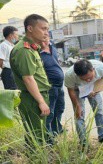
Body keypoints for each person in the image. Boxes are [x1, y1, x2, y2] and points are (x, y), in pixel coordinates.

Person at [10, 14, 51, 146]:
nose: (46, 32)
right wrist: (41, 101)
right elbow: (28, 78)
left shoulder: (32, 48)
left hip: (37, 96)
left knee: (39, 133)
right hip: (32, 98)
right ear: (30, 28)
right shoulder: (24, 50)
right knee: (36, 136)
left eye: (47, 29)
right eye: (43, 28)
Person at [64, 59, 103, 146]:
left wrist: (96, 90)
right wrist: (77, 106)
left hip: (94, 88)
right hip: (77, 90)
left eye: (90, 77)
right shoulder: (70, 75)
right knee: (79, 115)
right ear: (77, 75)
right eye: (84, 79)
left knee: (99, 111)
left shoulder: (101, 67)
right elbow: (71, 91)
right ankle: (83, 142)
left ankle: (102, 136)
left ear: (93, 69)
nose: (88, 80)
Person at [40, 37, 65, 135]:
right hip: (50, 86)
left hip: (60, 85)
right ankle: (48, 136)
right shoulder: (37, 53)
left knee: (60, 108)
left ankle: (56, 130)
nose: (44, 41)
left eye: (46, 38)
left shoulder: (52, 48)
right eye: (42, 39)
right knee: (50, 112)